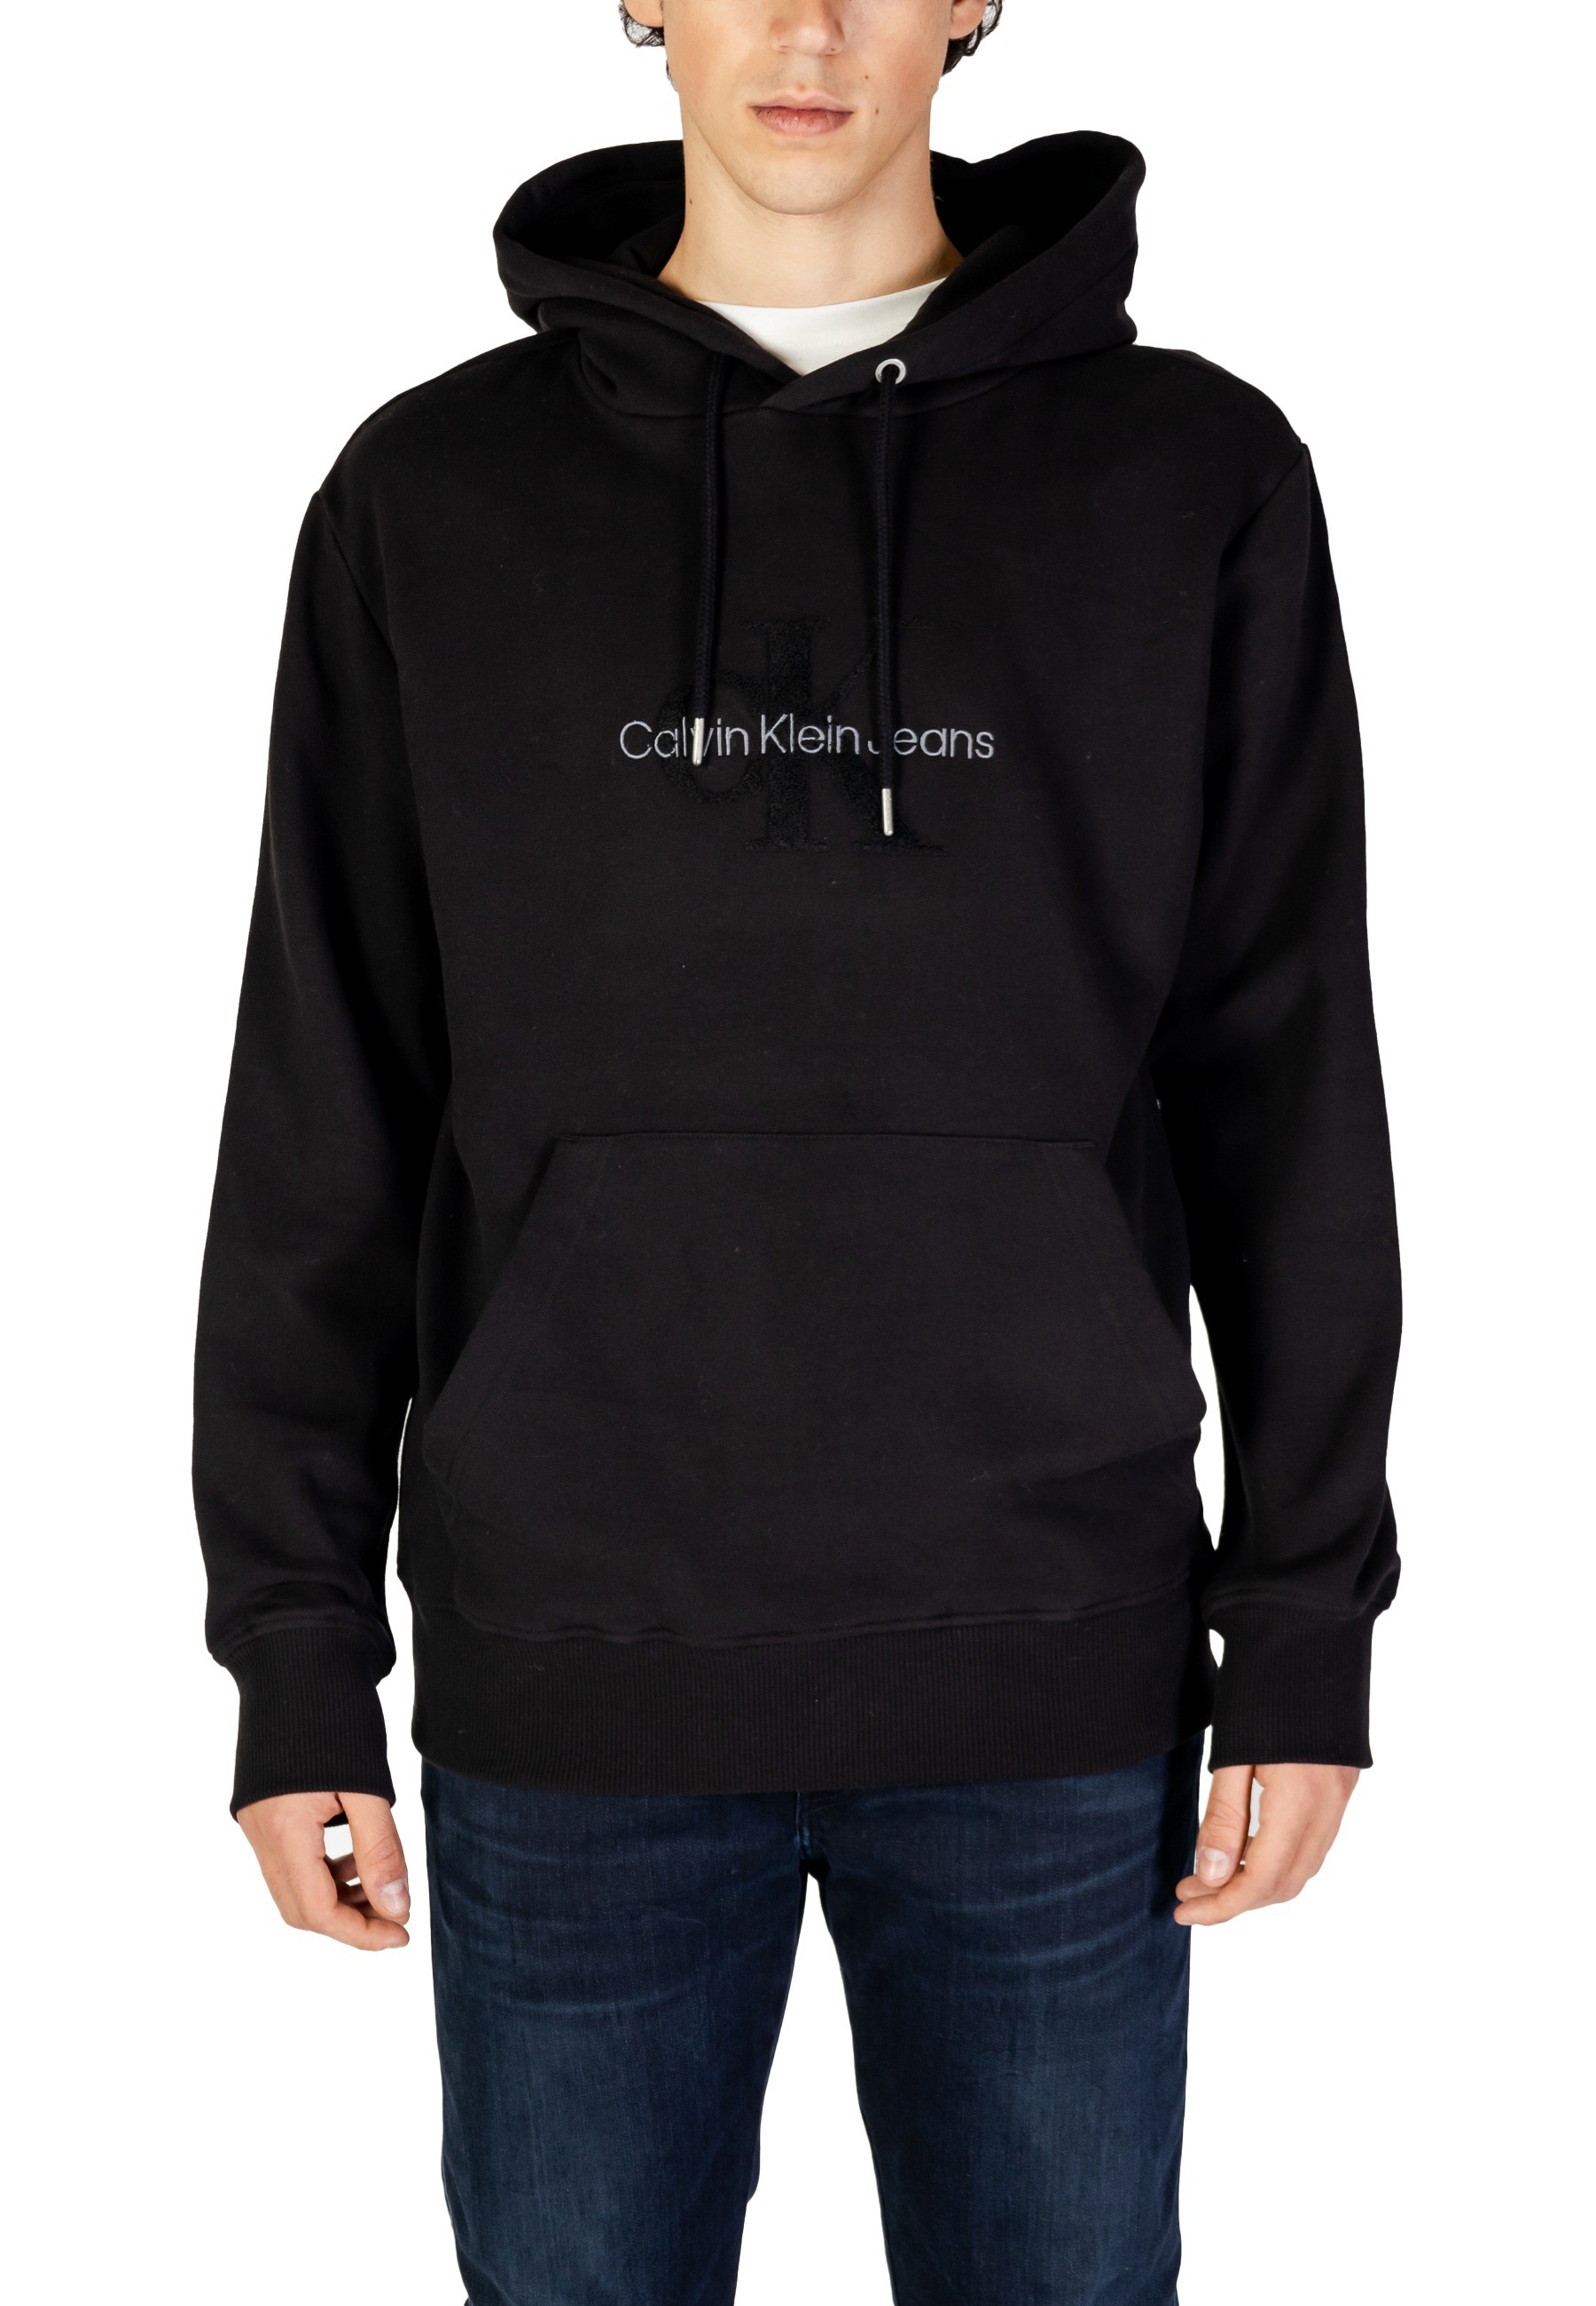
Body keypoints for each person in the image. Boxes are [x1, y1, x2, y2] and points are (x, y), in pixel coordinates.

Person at [194, 3, 1401, 2297]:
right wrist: (294, 1649)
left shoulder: (1189, 474)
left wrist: (1302, 1623)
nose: (810, 24)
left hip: (1052, 1665)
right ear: (641, 0)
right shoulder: (431, 496)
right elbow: (327, 1093)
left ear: (976, 1)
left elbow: (1286, 1075)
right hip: (574, 1674)